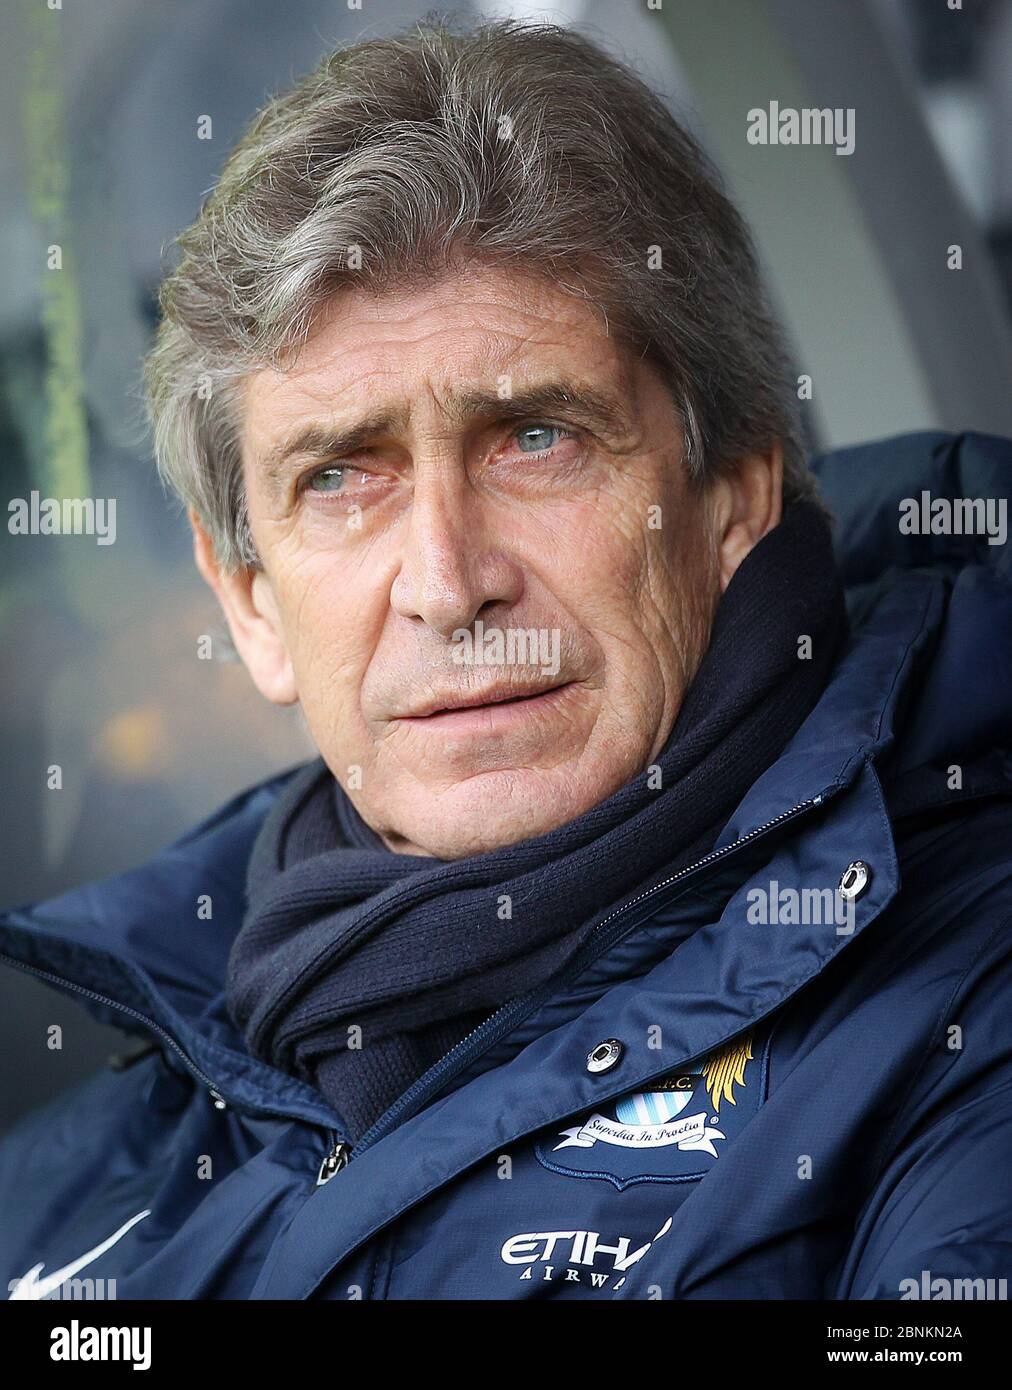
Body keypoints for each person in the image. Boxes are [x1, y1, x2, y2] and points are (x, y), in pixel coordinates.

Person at [2, 18, 1011, 1301]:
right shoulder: (95, 1157)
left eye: (534, 438)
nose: (447, 582)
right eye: (340, 477)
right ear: (249, 602)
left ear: (735, 491)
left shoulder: (964, 1010)